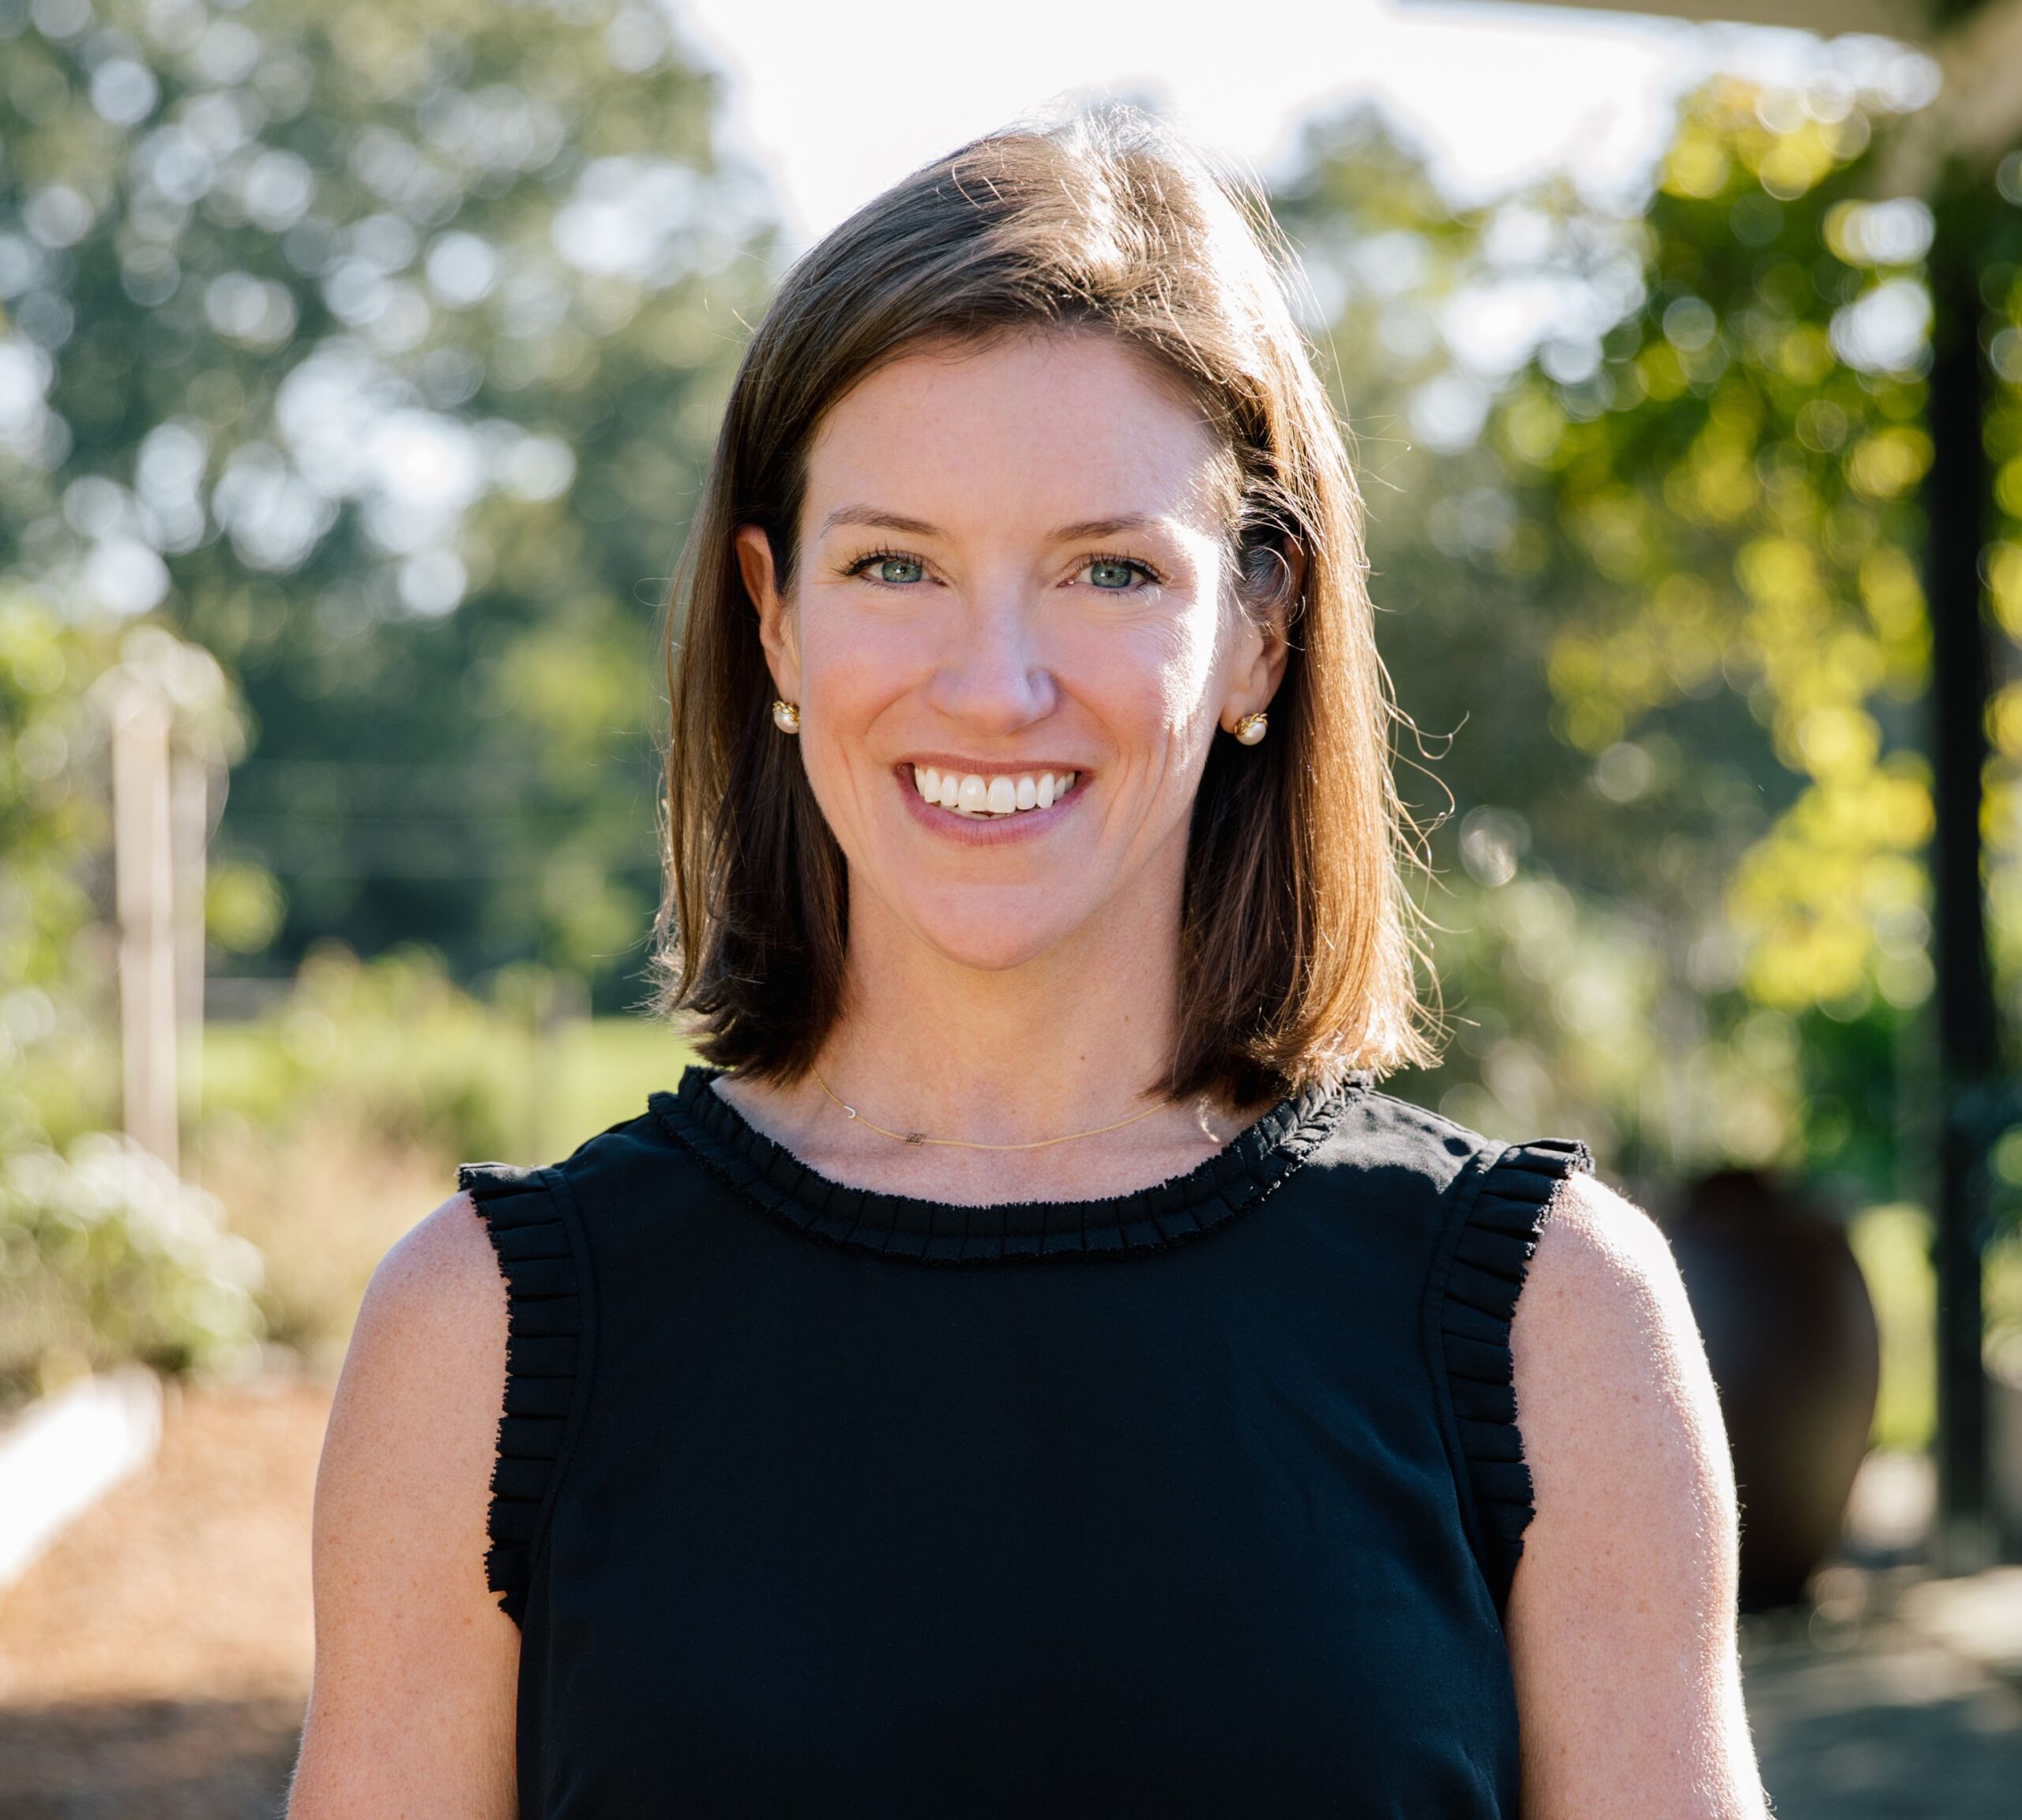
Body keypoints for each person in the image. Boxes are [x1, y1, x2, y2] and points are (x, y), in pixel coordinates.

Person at [288, 109, 1767, 1818]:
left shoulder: (1550, 1327)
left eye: (1105, 570)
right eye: (894, 563)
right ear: (772, 617)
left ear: (1256, 634)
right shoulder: (480, 1334)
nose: (992, 685)